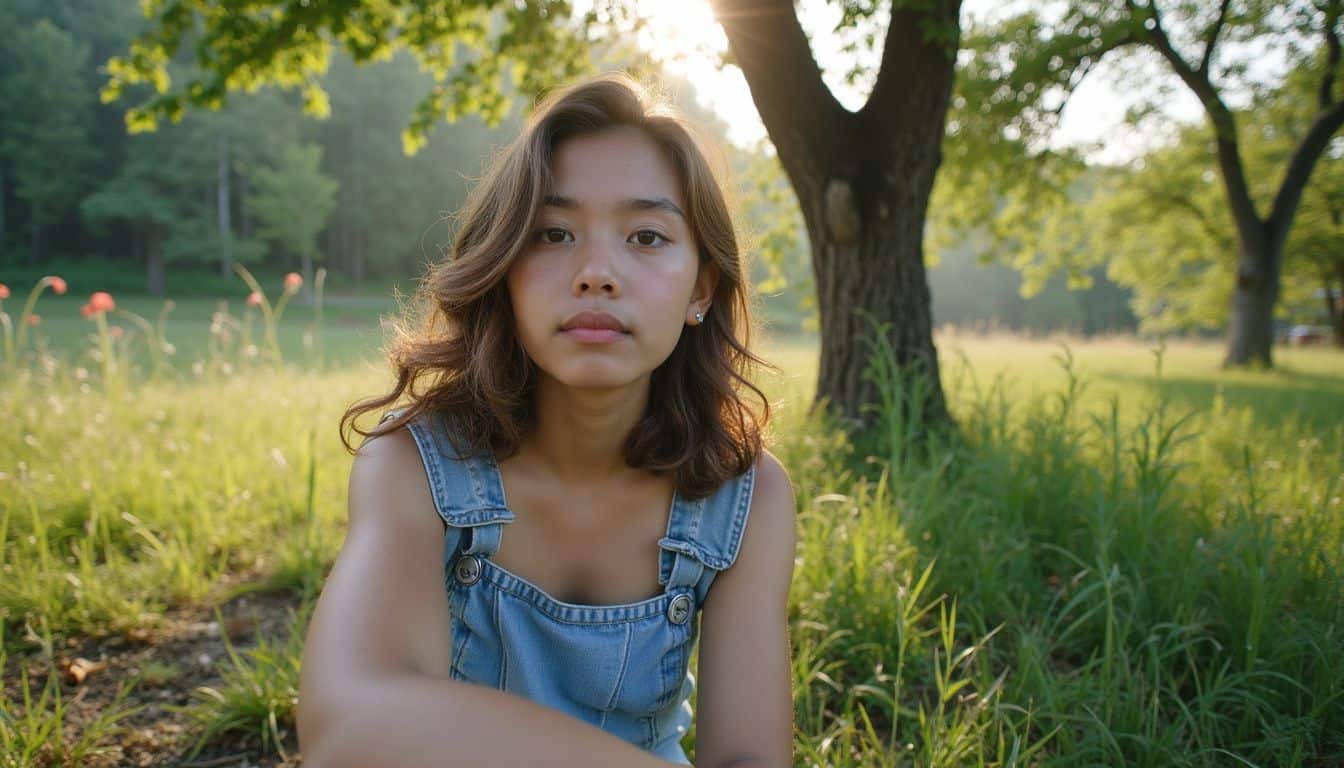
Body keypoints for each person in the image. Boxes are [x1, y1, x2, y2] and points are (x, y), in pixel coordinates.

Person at [296, 72, 797, 768]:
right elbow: (351, 724)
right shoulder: (413, 465)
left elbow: (748, 757)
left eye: (647, 237)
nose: (597, 272)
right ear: (505, 269)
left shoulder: (746, 499)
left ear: (701, 290)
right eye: (554, 233)